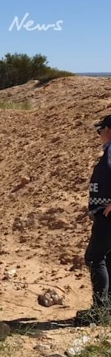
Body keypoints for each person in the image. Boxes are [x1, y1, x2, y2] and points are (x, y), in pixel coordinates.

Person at [77, 114, 111, 325]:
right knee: (108, 258)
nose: (99, 135)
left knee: (94, 258)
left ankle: (99, 312)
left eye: (100, 130)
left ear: (108, 129)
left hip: (107, 217)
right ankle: (106, 309)